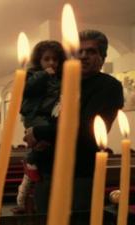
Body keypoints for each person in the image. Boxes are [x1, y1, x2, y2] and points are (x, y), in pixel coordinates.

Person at [24, 30, 124, 213]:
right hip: (47, 170)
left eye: (91, 52)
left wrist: (39, 132)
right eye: (80, 51)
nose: (84, 56)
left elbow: (87, 129)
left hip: (80, 175)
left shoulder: (108, 86)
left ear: (102, 57)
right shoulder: (64, 82)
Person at [14, 40, 66, 213]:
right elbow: (26, 90)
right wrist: (43, 74)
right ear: (39, 60)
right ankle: (31, 160)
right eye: (47, 59)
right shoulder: (32, 74)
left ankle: (33, 163)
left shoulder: (60, 77)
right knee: (41, 140)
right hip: (34, 115)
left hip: (50, 116)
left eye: (55, 60)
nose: (51, 63)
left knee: (46, 142)